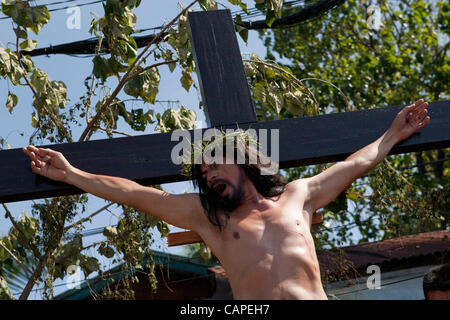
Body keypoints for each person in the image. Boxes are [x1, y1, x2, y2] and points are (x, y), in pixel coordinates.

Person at [22, 99, 430, 299]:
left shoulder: (298, 196)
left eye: (215, 164)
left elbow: (356, 163)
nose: (210, 174)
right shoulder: (209, 218)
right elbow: (136, 193)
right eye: (203, 174)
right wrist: (72, 174)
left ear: (245, 161)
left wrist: (393, 134)